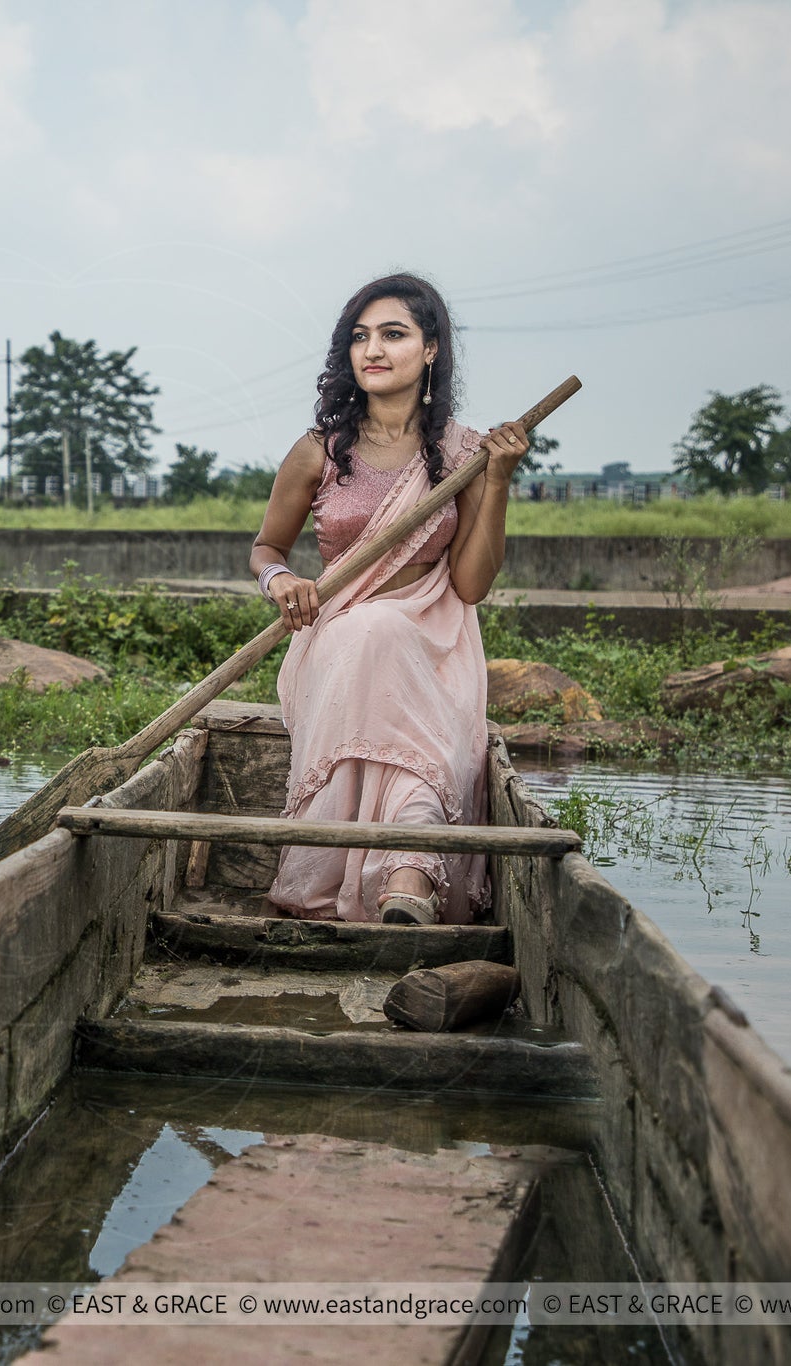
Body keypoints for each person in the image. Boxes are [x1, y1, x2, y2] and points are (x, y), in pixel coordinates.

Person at [249, 273, 528, 925]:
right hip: (340, 650)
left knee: (398, 672)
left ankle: (409, 879)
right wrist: (280, 581)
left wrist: (500, 479)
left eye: (393, 334)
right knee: (367, 633)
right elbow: (265, 549)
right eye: (360, 337)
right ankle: (380, 877)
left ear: (430, 350)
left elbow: (471, 586)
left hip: (432, 652)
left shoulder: (462, 454)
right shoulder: (319, 452)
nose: (372, 349)